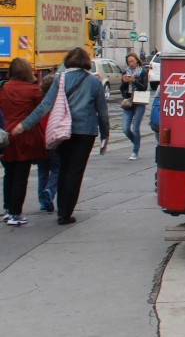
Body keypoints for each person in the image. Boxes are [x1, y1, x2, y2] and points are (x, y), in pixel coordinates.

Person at [11, 47, 109, 225]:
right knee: (75, 171)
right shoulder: (94, 82)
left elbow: (44, 106)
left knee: (63, 168)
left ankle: (61, 210)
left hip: (63, 132)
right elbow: (102, 112)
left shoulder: (60, 79)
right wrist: (105, 135)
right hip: (86, 132)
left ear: (68, 60)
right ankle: (65, 212)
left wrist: (24, 125)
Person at [1, 58, 47, 226]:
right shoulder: (33, 90)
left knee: (9, 174)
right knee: (21, 175)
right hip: (25, 136)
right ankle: (15, 213)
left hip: (6, 136)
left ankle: (7, 209)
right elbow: (40, 111)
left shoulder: (4, 88)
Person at [35, 73, 59, 210]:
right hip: (54, 142)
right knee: (57, 169)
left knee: (42, 172)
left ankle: (42, 202)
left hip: (40, 142)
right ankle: (49, 192)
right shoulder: (57, 104)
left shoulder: (39, 103)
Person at [120, 52, 149, 160]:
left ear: (136, 60)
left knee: (135, 128)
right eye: (129, 62)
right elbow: (122, 89)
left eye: (132, 61)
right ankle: (136, 142)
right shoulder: (126, 72)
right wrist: (124, 82)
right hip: (129, 101)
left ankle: (135, 151)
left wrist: (134, 81)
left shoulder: (142, 71)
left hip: (139, 101)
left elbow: (144, 87)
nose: (131, 63)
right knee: (125, 128)